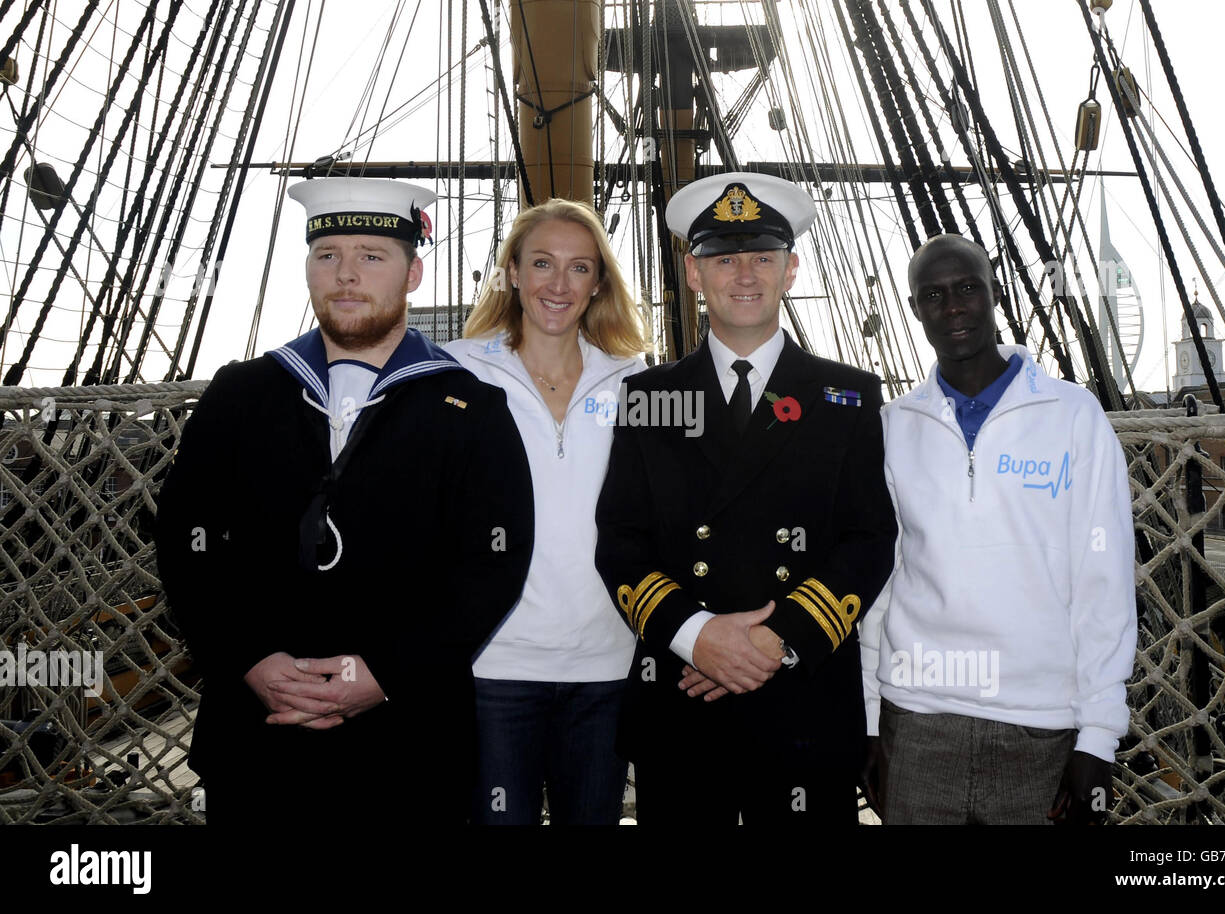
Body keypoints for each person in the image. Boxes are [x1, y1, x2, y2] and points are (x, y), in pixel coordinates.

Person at [155, 177, 534, 827]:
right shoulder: (239, 396)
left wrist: (386, 672)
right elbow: (186, 546)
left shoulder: (471, 409)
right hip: (258, 738)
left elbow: (492, 566)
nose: (347, 275)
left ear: (413, 273)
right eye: (328, 254)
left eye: (372, 256)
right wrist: (250, 661)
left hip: (408, 744)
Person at [594, 172, 897, 824]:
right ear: (694, 273)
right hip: (682, 699)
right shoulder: (649, 398)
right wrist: (695, 636)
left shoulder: (847, 397)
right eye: (724, 259)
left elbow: (869, 540)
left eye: (763, 256)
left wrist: (773, 643)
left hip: (802, 699)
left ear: (791, 271)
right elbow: (620, 541)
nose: (745, 274)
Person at [860, 233, 1137, 824]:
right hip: (917, 719)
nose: (953, 306)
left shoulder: (1071, 416)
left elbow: (1103, 580)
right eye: (934, 295)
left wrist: (1099, 735)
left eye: (967, 288)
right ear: (916, 310)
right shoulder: (893, 426)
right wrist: (867, 720)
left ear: (994, 293)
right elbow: (878, 587)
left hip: (1039, 723)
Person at [442, 199, 647, 825]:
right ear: (511, 271)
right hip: (492, 663)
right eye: (542, 264)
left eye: (579, 268)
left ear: (598, 284)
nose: (559, 285)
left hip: (606, 663)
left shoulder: (636, 382)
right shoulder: (455, 373)